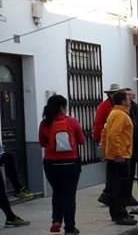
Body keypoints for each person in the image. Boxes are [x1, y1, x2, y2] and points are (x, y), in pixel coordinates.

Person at [38, 95, 84, 233]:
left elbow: (42, 143)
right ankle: (69, 228)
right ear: (62, 107)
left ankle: (56, 220)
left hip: (51, 164)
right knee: (69, 195)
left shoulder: (44, 123)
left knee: (57, 192)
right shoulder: (72, 121)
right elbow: (82, 140)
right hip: (70, 163)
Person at [102, 91, 137, 225]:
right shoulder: (120, 115)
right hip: (120, 156)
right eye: (127, 97)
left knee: (116, 186)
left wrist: (107, 152)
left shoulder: (114, 113)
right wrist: (117, 153)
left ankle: (120, 213)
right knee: (120, 187)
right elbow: (113, 135)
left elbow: (105, 133)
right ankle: (120, 215)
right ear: (122, 101)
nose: (130, 99)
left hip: (116, 155)